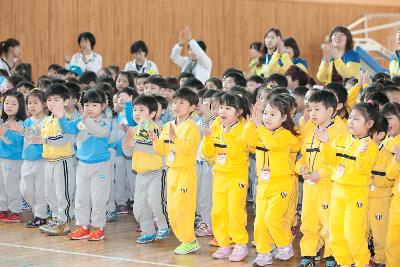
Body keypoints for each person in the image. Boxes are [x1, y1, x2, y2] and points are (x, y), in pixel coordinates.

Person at [315, 102, 379, 267]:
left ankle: (362, 262)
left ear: (369, 124)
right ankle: (344, 262)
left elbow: (362, 169)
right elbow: (329, 161)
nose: (350, 122)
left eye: (356, 119)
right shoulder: (341, 139)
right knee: (335, 232)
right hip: (337, 192)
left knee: (353, 233)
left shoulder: (370, 146)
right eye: (350, 118)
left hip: (356, 194)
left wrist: (361, 153)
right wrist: (325, 143)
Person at [243, 94, 300, 266]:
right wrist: (252, 121)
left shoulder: (286, 136)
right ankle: (263, 252)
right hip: (264, 184)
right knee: (259, 221)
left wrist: (260, 126)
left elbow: (272, 144)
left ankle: (284, 245)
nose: (267, 118)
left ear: (284, 118)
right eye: (265, 113)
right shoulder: (262, 132)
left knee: (272, 218)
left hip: (281, 184)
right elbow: (247, 140)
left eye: (272, 114)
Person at [295, 90, 348, 267]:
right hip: (310, 186)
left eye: (317, 109)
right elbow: (302, 156)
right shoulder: (310, 129)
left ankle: (332, 255)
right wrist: (301, 168)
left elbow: (340, 161)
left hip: (328, 186)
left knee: (329, 223)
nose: (312, 114)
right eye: (310, 109)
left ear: (331, 111)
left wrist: (322, 173)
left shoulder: (339, 132)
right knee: (308, 221)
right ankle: (308, 255)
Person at [51, 89, 112, 241]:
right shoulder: (80, 121)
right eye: (86, 104)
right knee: (81, 198)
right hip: (82, 165)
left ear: (103, 106)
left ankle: (98, 228)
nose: (89, 108)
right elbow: (69, 129)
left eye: (94, 104)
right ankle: (83, 226)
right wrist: (61, 117)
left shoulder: (106, 121)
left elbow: (100, 132)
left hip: (101, 166)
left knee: (98, 199)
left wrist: (86, 120)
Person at [151, 88, 201, 255]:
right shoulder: (168, 125)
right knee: (172, 210)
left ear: (192, 107)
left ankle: (190, 240)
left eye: (182, 103)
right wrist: (155, 140)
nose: (176, 106)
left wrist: (176, 139)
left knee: (183, 209)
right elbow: (163, 151)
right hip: (172, 172)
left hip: (186, 173)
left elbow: (188, 150)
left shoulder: (191, 127)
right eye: (175, 102)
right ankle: (185, 240)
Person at [203, 93, 251, 262]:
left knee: (235, 210)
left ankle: (240, 243)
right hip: (220, 176)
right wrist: (208, 138)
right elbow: (207, 153)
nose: (222, 111)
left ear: (238, 112)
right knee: (218, 211)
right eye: (221, 107)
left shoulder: (245, 127)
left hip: (237, 176)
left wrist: (229, 133)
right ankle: (224, 243)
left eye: (228, 108)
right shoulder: (216, 124)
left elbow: (242, 150)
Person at [123, 95, 169, 244]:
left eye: (141, 110)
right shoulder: (134, 129)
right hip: (141, 174)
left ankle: (163, 225)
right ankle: (147, 231)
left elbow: (154, 149)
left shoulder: (153, 129)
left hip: (157, 172)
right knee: (139, 207)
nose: (137, 113)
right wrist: (127, 143)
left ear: (152, 114)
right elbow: (128, 153)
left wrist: (134, 144)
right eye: (135, 109)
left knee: (156, 201)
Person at [37, 83, 76, 236]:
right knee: (50, 194)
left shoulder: (67, 119)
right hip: (49, 161)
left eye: (56, 100)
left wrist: (43, 140)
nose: (52, 103)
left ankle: (64, 222)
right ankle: (56, 218)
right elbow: (36, 134)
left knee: (63, 194)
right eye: (50, 100)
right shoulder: (47, 120)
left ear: (66, 102)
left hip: (63, 161)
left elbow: (61, 139)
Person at [6, 90, 47, 227]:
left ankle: (40, 215)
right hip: (27, 161)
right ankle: (39, 212)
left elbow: (38, 135)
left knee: (41, 190)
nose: (32, 106)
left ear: (44, 104)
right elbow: (20, 138)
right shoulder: (27, 121)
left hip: (42, 161)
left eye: (36, 102)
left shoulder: (48, 120)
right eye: (29, 103)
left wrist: (21, 131)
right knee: (25, 189)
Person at [367, 114, 393, 267]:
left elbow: (390, 179)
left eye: (370, 133)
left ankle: (381, 259)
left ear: (381, 135)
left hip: (380, 199)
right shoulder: (360, 150)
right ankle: (362, 258)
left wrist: (373, 180)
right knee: (361, 230)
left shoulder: (387, 156)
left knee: (379, 233)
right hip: (362, 197)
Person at [0, 90, 26, 223]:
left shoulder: (21, 123)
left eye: (13, 104)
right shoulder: (2, 120)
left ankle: (15, 210)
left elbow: (20, 142)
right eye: (6, 103)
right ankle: (3, 209)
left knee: (12, 185)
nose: (8, 106)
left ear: (20, 106)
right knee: (1, 184)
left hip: (14, 159)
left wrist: (8, 132)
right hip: (1, 157)